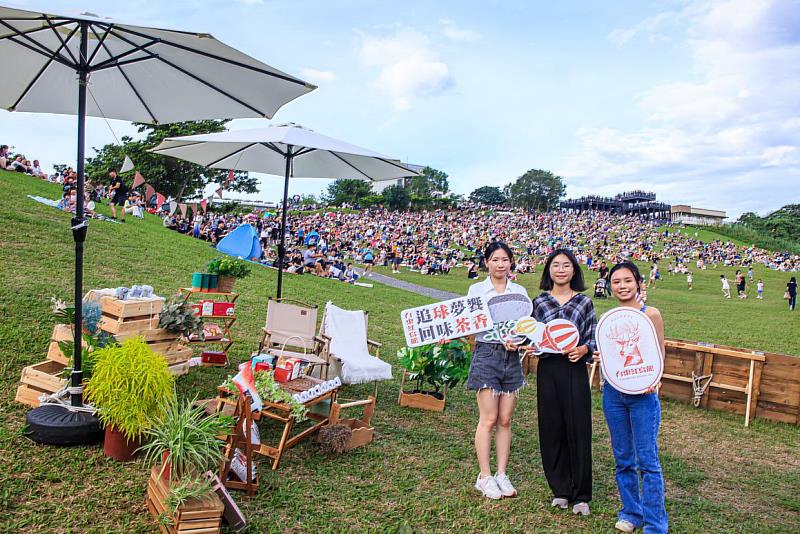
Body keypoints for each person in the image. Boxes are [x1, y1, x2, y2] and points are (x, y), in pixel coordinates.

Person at [603, 261, 668, 534]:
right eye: (616, 281)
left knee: (648, 460)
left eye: (627, 280)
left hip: (644, 395)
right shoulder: (611, 318)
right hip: (614, 394)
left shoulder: (650, 314)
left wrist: (655, 379)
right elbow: (612, 355)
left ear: (639, 283)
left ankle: (655, 524)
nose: (622, 286)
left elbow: (660, 352)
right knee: (623, 458)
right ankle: (632, 512)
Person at [532, 248, 596, 516]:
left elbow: (592, 338)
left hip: (574, 369)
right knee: (551, 427)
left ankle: (581, 493)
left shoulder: (584, 302)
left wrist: (583, 350)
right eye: (555, 265)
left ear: (574, 271)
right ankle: (560, 489)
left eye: (566, 265)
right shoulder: (539, 302)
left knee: (578, 427)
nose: (560, 269)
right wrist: (529, 343)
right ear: (548, 270)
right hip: (548, 368)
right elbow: (531, 335)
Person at [466, 242, 528, 500]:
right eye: (495, 259)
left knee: (505, 419)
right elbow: (468, 326)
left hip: (512, 358)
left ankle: (502, 473)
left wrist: (520, 341)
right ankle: (485, 476)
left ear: (511, 262)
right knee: (489, 419)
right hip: (486, 354)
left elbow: (525, 327)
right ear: (486, 262)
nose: (500, 264)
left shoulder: (520, 291)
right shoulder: (477, 290)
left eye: (504, 259)